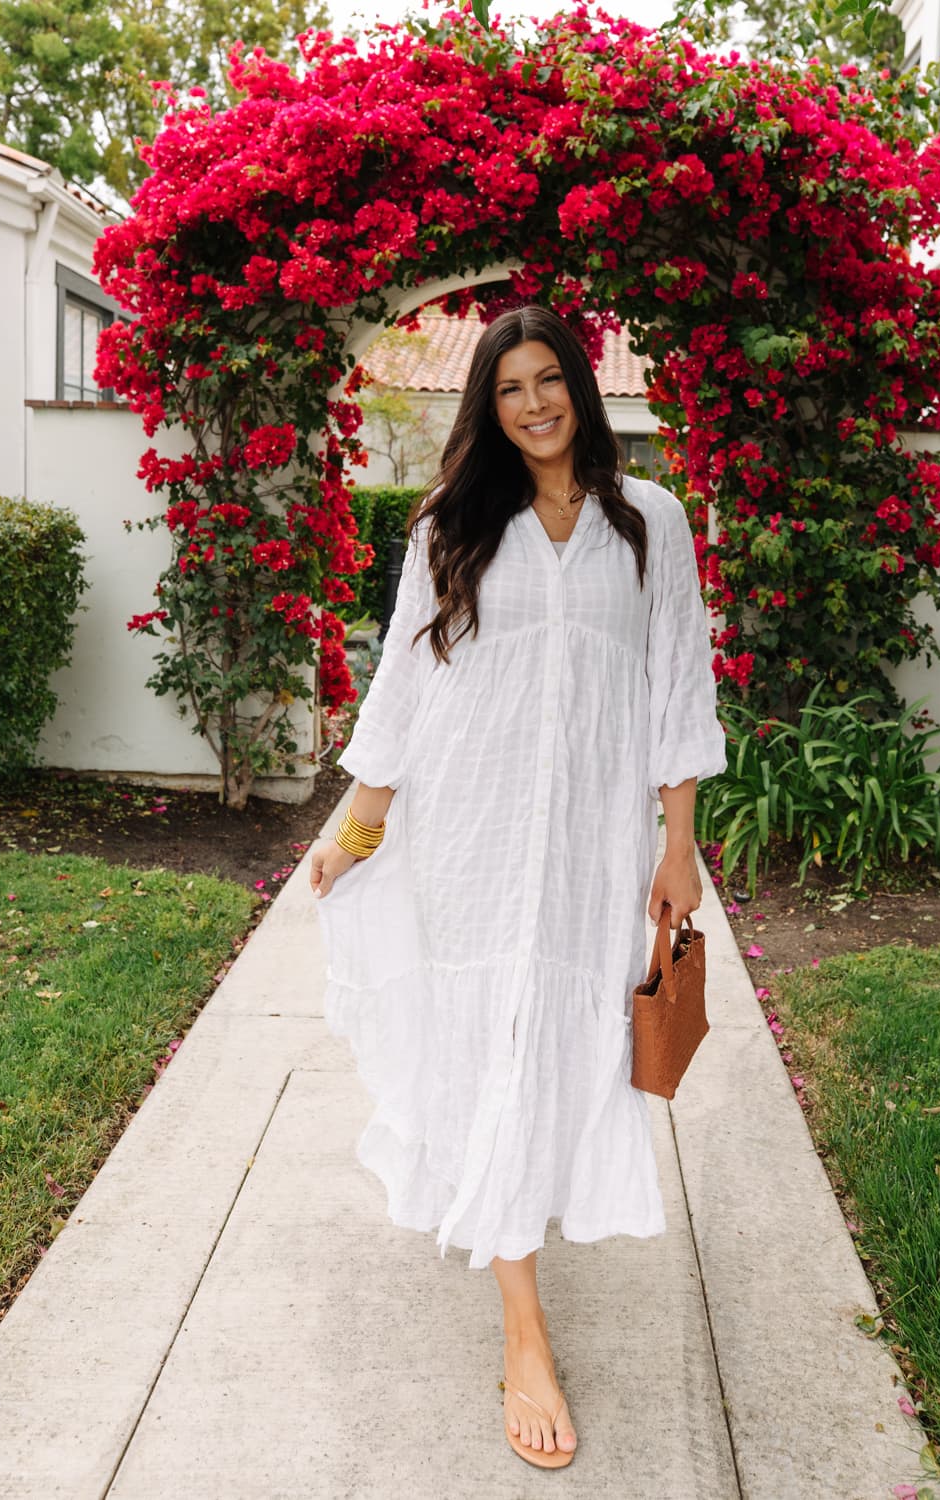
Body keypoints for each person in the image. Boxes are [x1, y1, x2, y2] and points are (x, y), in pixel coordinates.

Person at [310, 303, 727, 1470]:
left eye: (550, 381)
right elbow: (402, 683)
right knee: (488, 1041)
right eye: (510, 389)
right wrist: (360, 831)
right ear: (486, 407)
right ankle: (523, 1328)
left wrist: (678, 847)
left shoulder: (649, 522)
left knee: (559, 1046)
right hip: (471, 840)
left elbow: (679, 691)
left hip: (594, 847)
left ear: (581, 389)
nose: (534, 404)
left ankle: (511, 1224)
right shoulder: (453, 520)